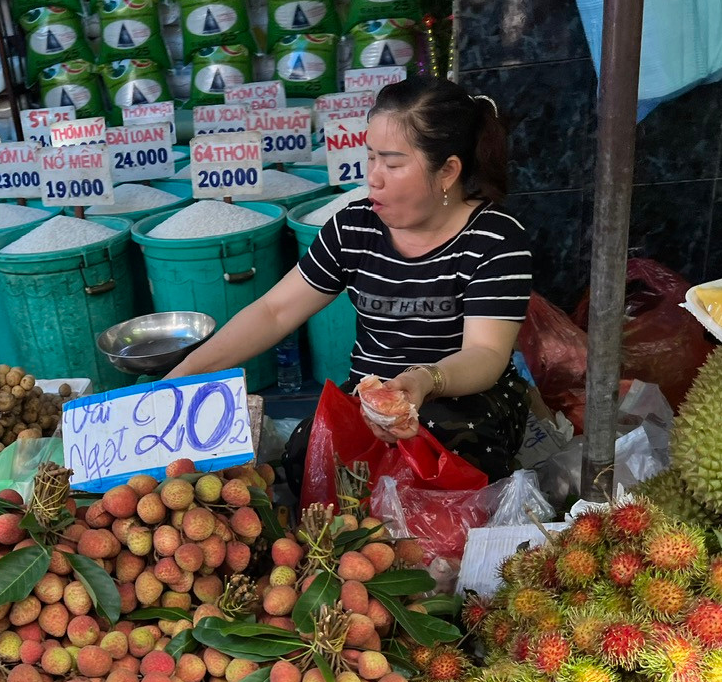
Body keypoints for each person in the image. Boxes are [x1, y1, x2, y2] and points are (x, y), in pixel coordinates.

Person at [167, 75, 533, 487]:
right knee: (308, 455)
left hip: (462, 397)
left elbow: (485, 353)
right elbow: (275, 311)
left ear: (447, 170)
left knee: (441, 444)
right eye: (370, 157)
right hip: (369, 396)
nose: (372, 177)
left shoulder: (496, 240)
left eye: (393, 164)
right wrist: (190, 369)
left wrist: (424, 381)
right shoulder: (353, 228)